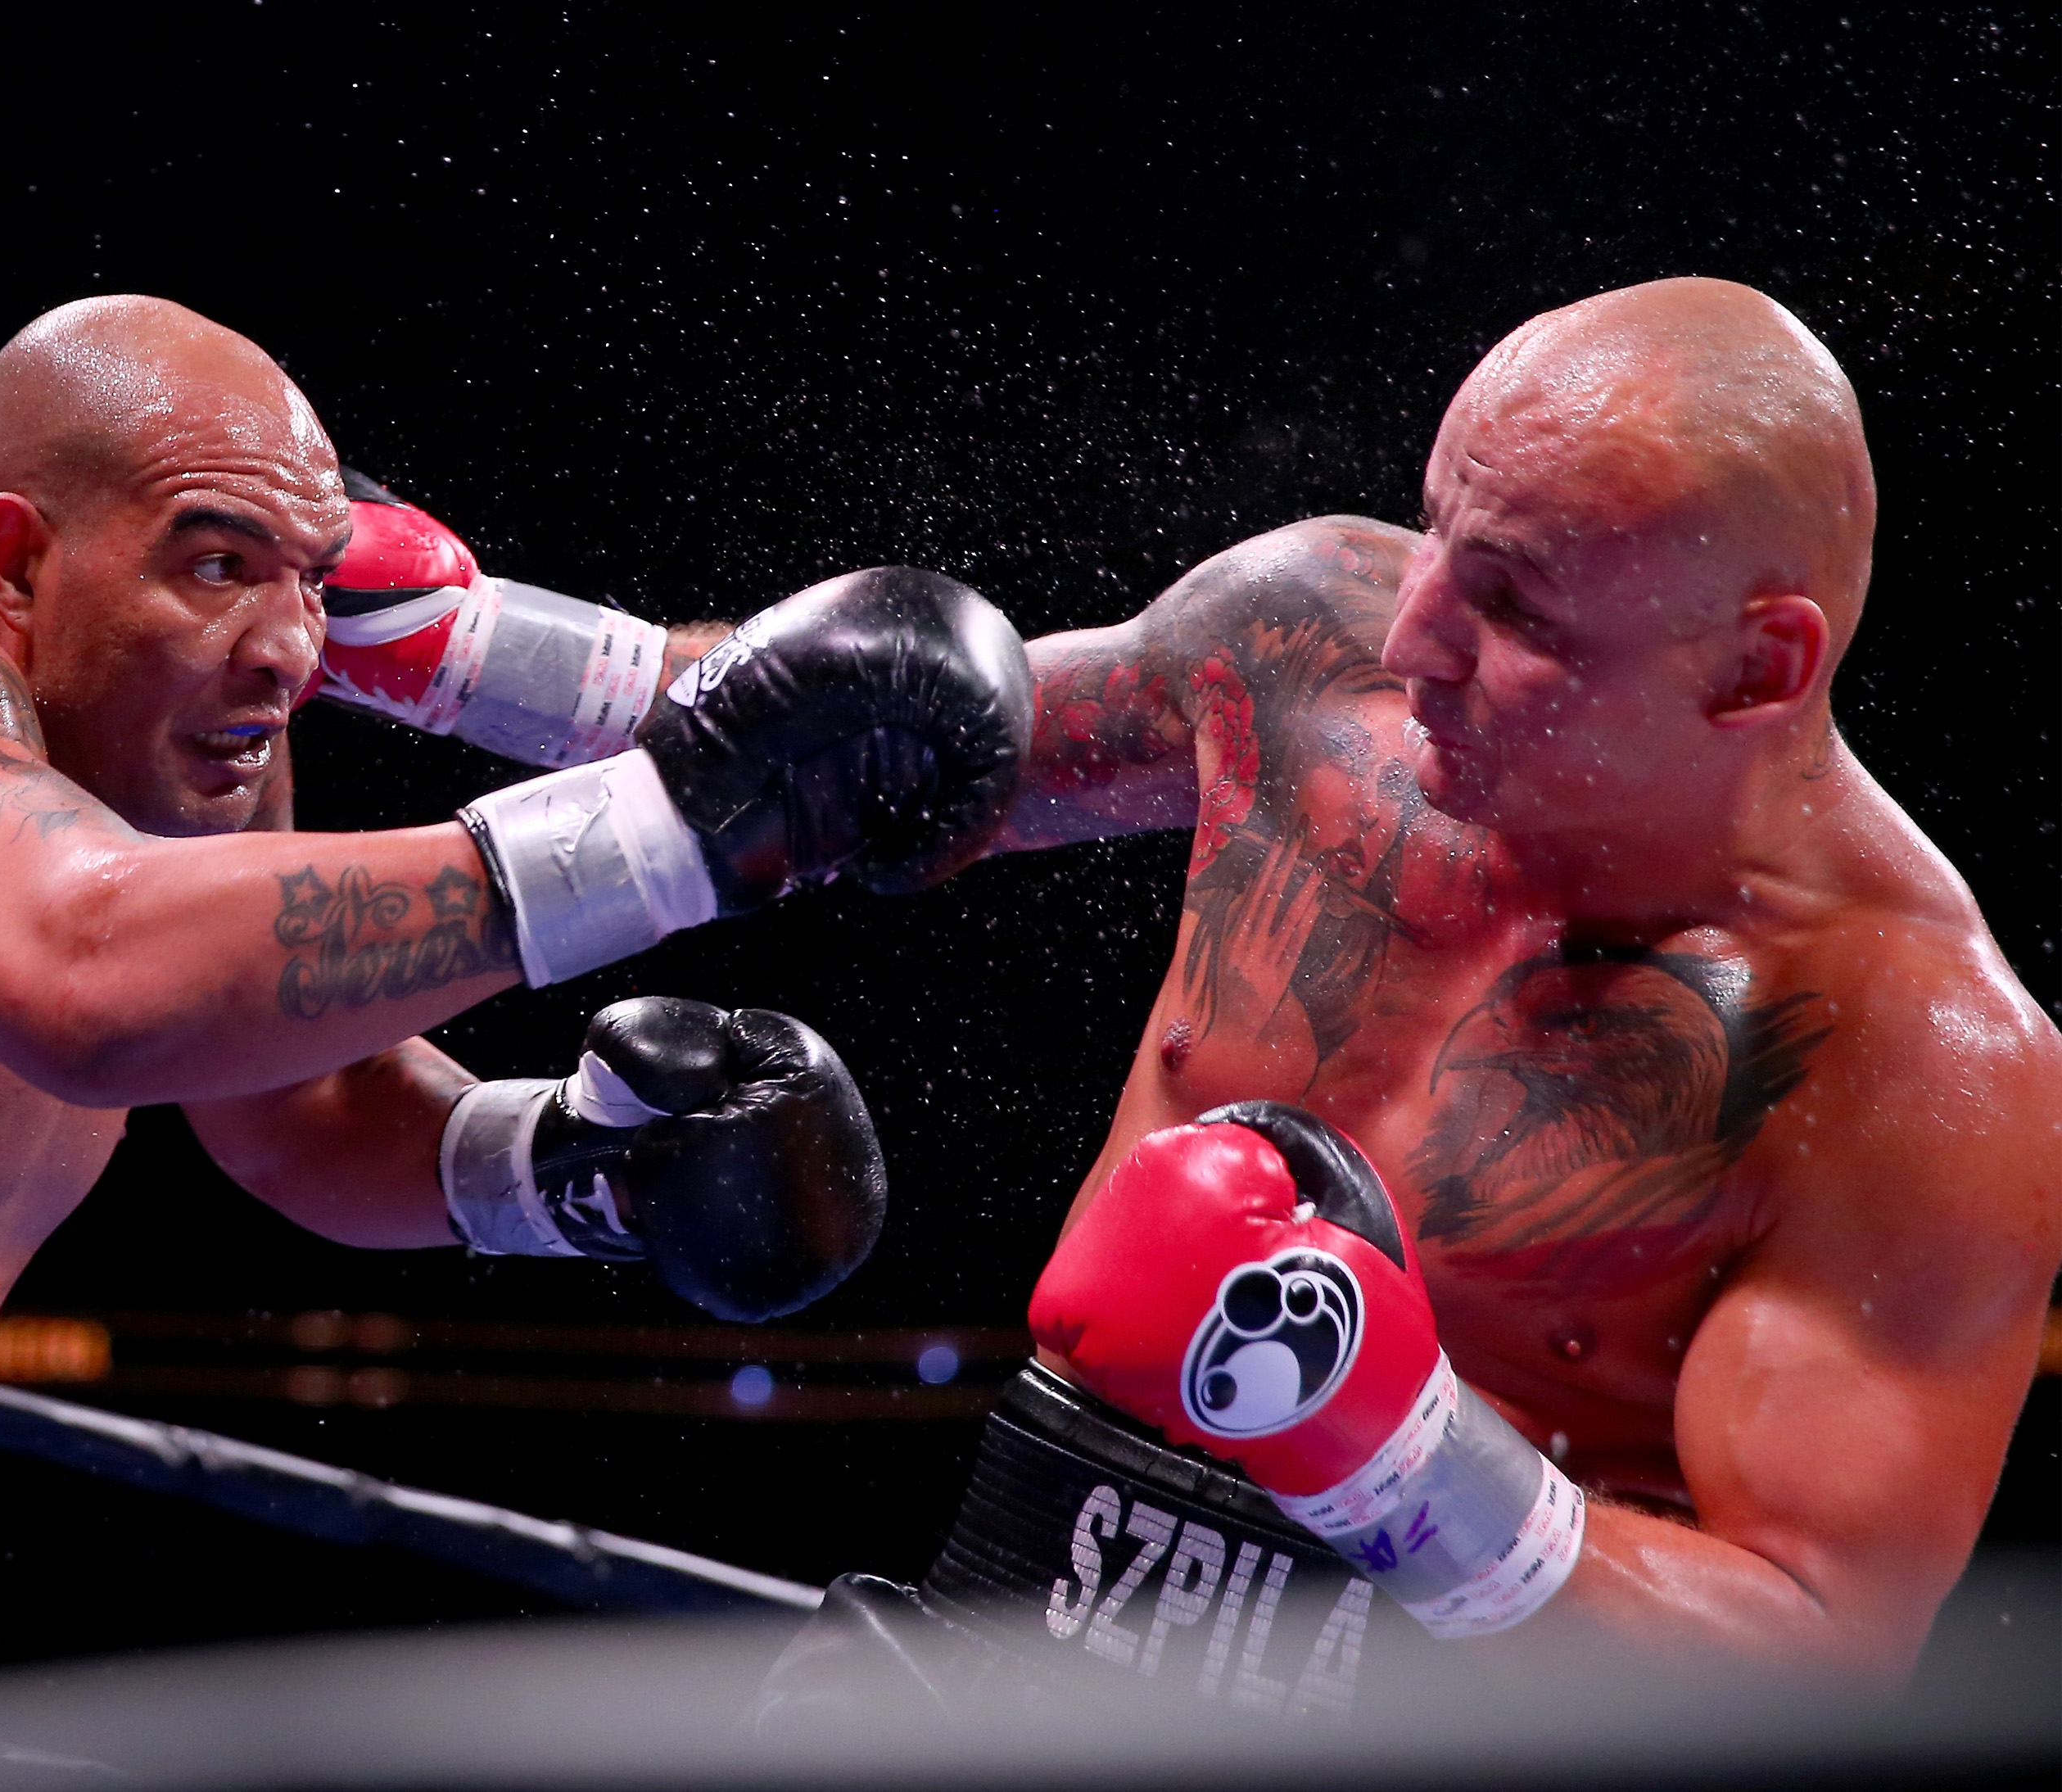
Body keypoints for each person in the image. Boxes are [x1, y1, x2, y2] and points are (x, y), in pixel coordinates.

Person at [0, 294, 1031, 1786]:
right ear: (19, 561)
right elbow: (84, 968)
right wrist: (669, 825)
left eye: (310, 580)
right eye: (216, 565)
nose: (289, 648)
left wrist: (575, 1169)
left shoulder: (195, 772)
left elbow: (300, 1106)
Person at [756, 278, 2061, 1726]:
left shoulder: (1916, 1063)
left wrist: (1393, 1448)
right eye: (1436, 528)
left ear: (1760, 665)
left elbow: (1811, 1677)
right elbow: (848, 739)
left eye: (1511, 597)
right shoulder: (1305, 653)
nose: (1416, 626)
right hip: (972, 1672)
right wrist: (479, 649)